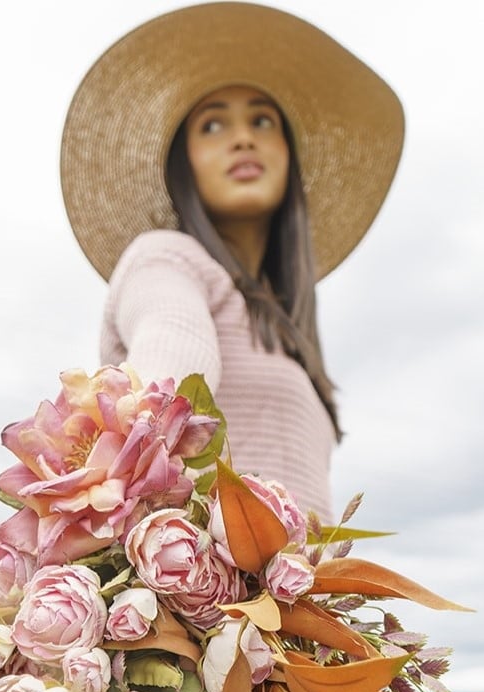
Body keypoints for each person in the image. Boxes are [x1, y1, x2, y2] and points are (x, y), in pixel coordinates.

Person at [60, 2, 404, 525]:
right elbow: (174, 348)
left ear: (288, 153)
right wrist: (154, 408)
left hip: (295, 600)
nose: (243, 137)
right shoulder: (167, 258)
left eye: (262, 120)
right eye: (213, 125)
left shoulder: (287, 334)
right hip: (204, 601)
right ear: (184, 165)